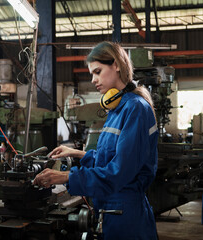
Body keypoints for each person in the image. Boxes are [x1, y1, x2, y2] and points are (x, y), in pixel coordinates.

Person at [33, 41, 158, 240]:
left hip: (126, 217)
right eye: (92, 73)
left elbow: (119, 172)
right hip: (110, 210)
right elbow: (109, 158)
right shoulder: (117, 109)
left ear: (116, 64)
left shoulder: (135, 108)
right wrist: (77, 153)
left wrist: (66, 177)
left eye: (98, 71)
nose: (93, 79)